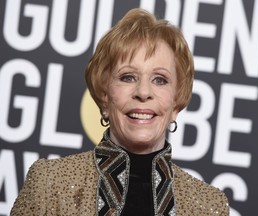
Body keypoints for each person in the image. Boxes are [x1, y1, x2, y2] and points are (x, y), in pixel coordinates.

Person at [10, 8, 229, 216]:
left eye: (160, 80)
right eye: (128, 77)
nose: (143, 92)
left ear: (176, 102)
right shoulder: (50, 183)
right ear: (105, 96)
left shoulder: (209, 204)